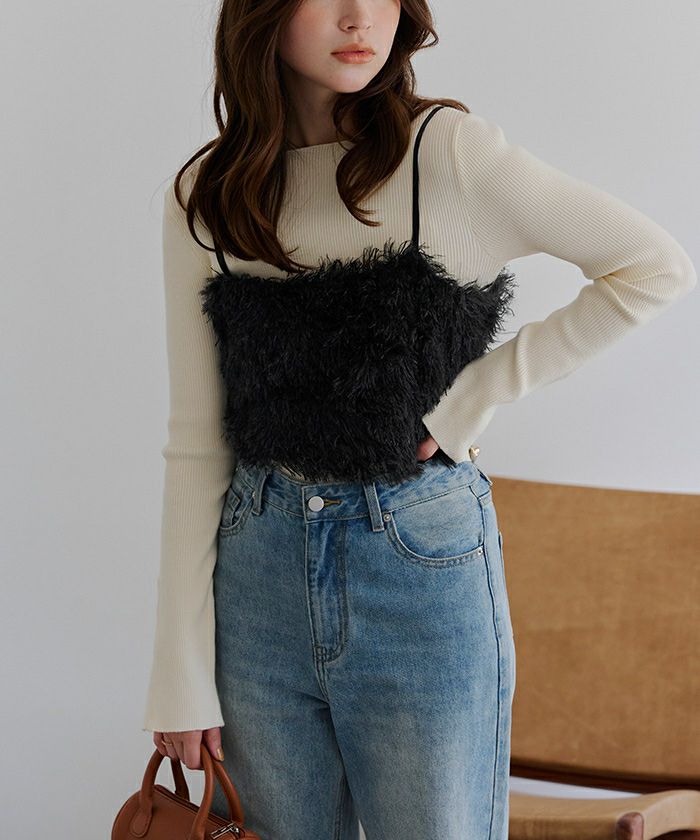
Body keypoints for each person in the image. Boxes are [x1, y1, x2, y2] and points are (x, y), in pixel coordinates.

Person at [141, 1, 697, 838]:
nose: (360, 17)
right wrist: (177, 674)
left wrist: (474, 397)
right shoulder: (206, 195)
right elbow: (196, 443)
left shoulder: (448, 154)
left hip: (419, 562)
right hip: (256, 581)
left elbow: (652, 267)